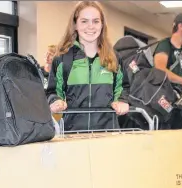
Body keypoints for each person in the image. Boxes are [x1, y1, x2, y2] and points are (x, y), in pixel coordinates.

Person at [46, 1, 129, 132]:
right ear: (75, 25)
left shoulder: (114, 58)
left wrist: (122, 101)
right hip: (73, 135)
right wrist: (55, 101)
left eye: (96, 21)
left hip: (108, 134)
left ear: (102, 25)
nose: (90, 26)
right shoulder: (62, 58)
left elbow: (123, 86)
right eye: (84, 21)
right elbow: (53, 91)